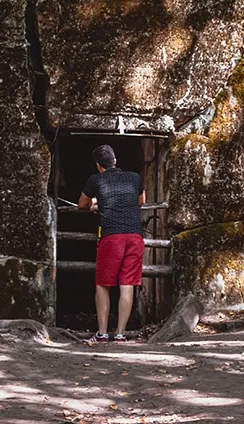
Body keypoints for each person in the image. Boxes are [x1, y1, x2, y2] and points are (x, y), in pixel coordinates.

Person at [78, 144, 145, 343]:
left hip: (112, 237)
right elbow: (141, 201)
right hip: (135, 236)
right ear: (115, 161)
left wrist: (96, 204)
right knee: (127, 284)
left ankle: (103, 332)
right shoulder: (134, 177)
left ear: (98, 165)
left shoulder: (96, 180)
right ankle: (121, 333)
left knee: (103, 284)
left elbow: (82, 204)